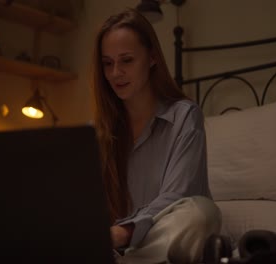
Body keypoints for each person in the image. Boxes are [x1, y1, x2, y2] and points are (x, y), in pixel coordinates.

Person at [91, 8, 221, 263]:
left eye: (126, 60)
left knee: (202, 213)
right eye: (107, 63)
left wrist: (123, 232)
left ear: (152, 57)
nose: (116, 73)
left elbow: (178, 195)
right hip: (117, 246)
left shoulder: (185, 116)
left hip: (160, 236)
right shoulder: (102, 131)